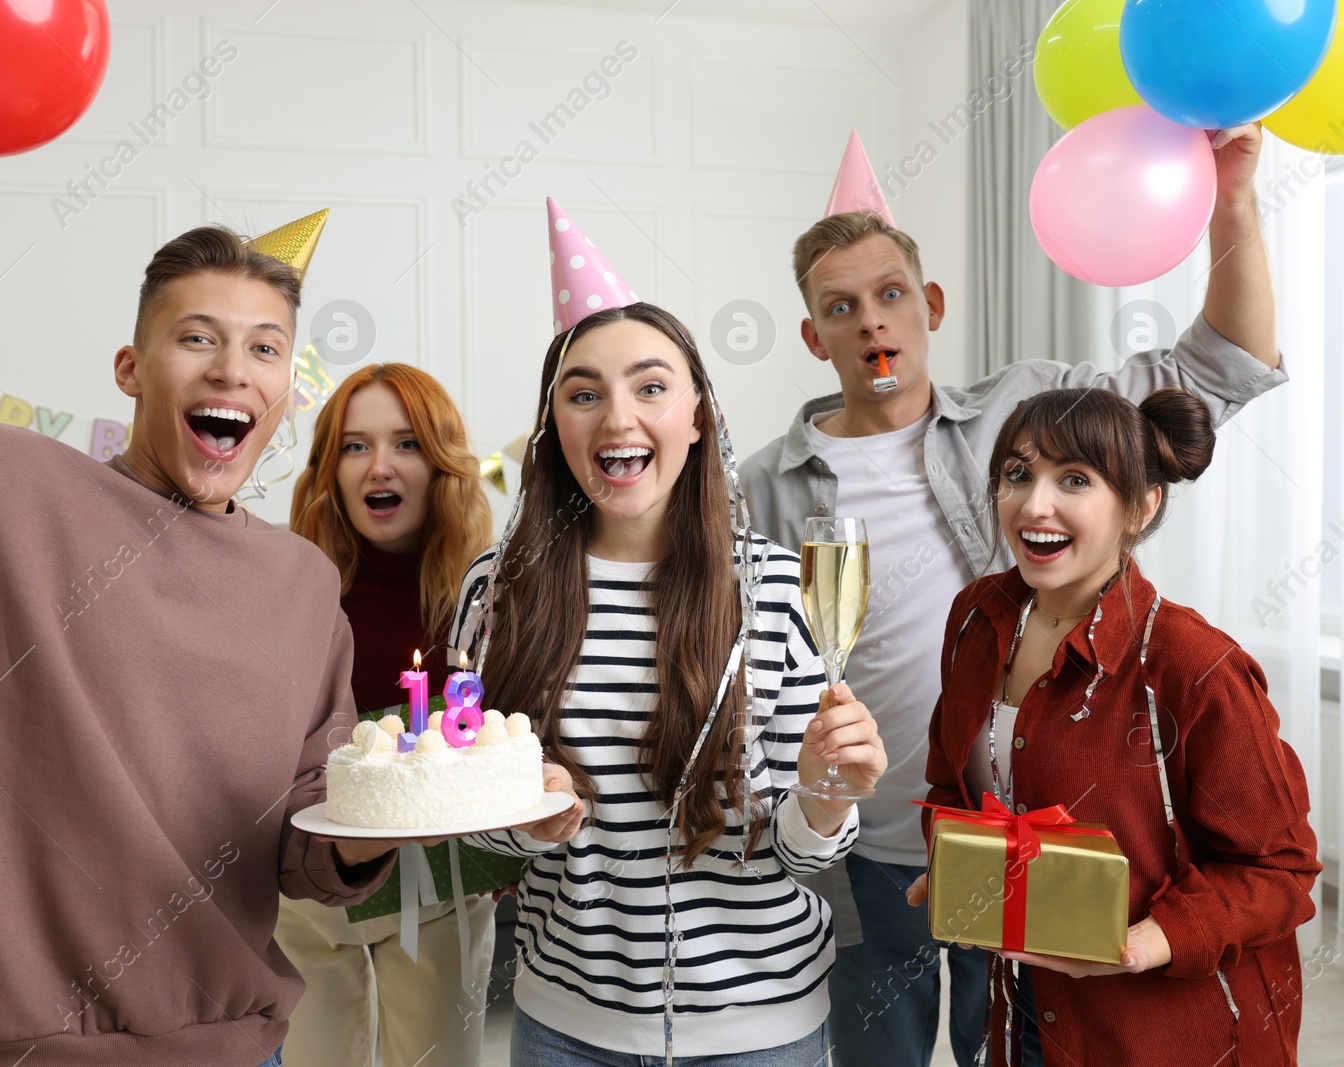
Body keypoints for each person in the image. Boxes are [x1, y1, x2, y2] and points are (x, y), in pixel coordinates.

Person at [0, 5, 430, 1062]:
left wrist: (384, 816)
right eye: (194, 337)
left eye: (262, 348)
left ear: (286, 390)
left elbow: (302, 844)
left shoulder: (301, 584)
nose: (227, 369)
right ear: (130, 366)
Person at [738, 126, 1285, 1066]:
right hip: (866, 845)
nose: (871, 322)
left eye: (890, 295)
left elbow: (1215, 372)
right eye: (841, 306)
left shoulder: (1025, 411)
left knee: (1023, 1045)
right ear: (811, 333)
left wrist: (1232, 200)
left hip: (1025, 832)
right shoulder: (761, 484)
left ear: (930, 305)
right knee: (880, 1054)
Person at [454, 199, 888, 1066]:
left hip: (762, 1031)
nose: (618, 418)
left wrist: (831, 793)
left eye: (651, 387)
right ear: (554, 427)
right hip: (566, 1026)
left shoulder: (774, 587)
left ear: (696, 417)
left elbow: (807, 854)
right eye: (585, 394)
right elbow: (470, 815)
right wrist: (529, 820)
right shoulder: (497, 590)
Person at [911, 387, 1319, 1065]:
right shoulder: (978, 617)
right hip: (1020, 1007)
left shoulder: (1195, 668)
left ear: (1140, 506)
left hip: (1163, 1031)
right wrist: (954, 865)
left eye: (1074, 478)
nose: (1034, 503)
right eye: (1017, 474)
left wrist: (1142, 944)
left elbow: (1282, 869)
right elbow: (947, 783)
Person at [277, 363, 503, 1067]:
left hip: (443, 896)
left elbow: (515, 738)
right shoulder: (283, 585)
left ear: (443, 464)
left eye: (406, 443)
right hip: (308, 899)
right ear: (329, 468)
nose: (380, 465)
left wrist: (508, 845)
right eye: (355, 445)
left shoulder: (497, 594)